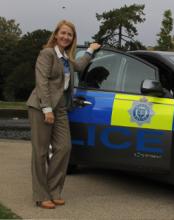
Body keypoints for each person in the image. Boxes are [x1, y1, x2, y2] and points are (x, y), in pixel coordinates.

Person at [26, 20, 101, 209]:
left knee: (64, 147)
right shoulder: (47, 53)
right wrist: (46, 109)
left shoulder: (67, 58)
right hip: (41, 107)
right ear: (56, 34)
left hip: (60, 108)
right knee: (41, 153)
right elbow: (41, 81)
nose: (66, 37)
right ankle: (41, 195)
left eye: (70, 35)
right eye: (63, 33)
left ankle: (53, 190)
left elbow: (80, 66)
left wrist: (91, 50)